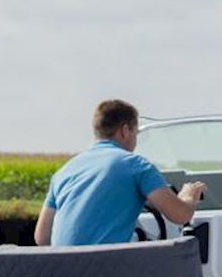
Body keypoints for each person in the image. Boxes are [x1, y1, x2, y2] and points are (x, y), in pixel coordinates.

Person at [34, 99, 206, 246]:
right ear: (125, 131)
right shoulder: (136, 165)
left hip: (63, 270)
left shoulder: (65, 171)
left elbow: (42, 237)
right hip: (107, 269)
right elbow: (180, 215)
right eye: (135, 133)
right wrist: (188, 197)